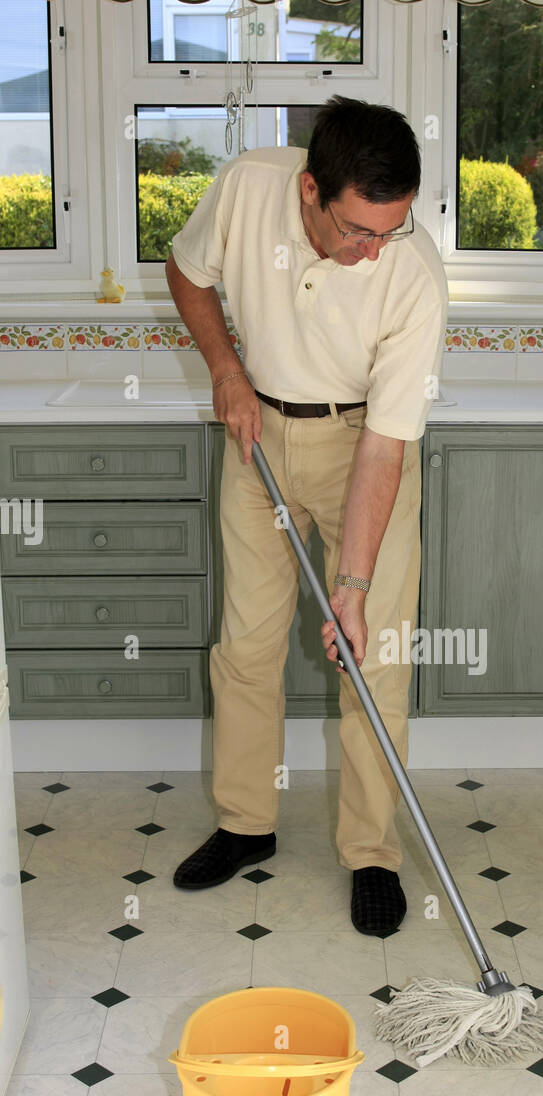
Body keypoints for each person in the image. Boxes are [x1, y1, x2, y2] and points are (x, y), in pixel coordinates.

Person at [164, 96, 448, 934]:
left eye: (389, 231)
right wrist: (225, 368)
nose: (372, 252)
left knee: (373, 660)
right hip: (257, 436)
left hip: (360, 445)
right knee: (247, 644)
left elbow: (387, 448)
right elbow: (187, 270)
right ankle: (246, 823)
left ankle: (371, 853)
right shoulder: (250, 185)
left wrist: (353, 585)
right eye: (358, 230)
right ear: (311, 191)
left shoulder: (412, 272)